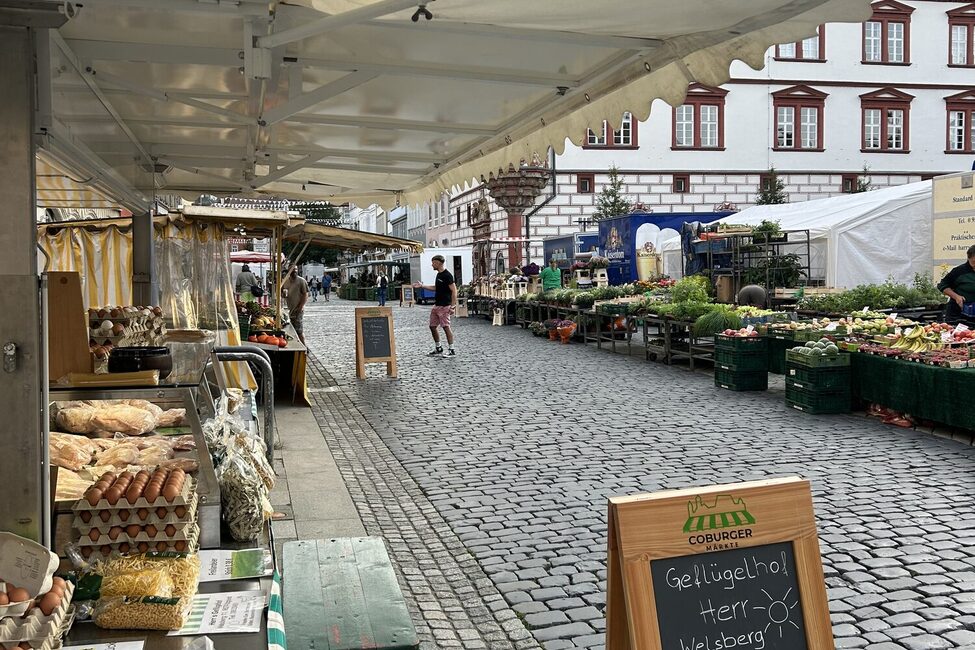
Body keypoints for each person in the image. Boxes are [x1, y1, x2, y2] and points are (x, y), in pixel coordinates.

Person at [415, 254, 457, 357]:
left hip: (444, 305)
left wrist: (452, 306)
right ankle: (438, 348)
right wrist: (422, 286)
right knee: (432, 326)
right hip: (437, 305)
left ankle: (451, 350)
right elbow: (436, 288)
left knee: (446, 327)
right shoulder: (439, 275)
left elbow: (454, 291)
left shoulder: (447, 275)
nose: (432, 265)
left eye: (433, 263)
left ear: (438, 263)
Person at [937, 244, 975, 324]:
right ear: (968, 258)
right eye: (974, 262)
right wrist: (956, 297)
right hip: (958, 314)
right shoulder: (959, 271)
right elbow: (942, 285)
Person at [284, 267, 309, 344]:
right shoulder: (286, 281)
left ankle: (304, 346)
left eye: (296, 269)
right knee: (292, 329)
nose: (294, 271)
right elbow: (283, 293)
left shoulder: (301, 281)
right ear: (289, 271)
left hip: (298, 309)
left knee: (299, 330)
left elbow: (305, 295)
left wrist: (300, 307)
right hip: (290, 308)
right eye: (292, 269)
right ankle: (297, 344)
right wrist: (283, 294)